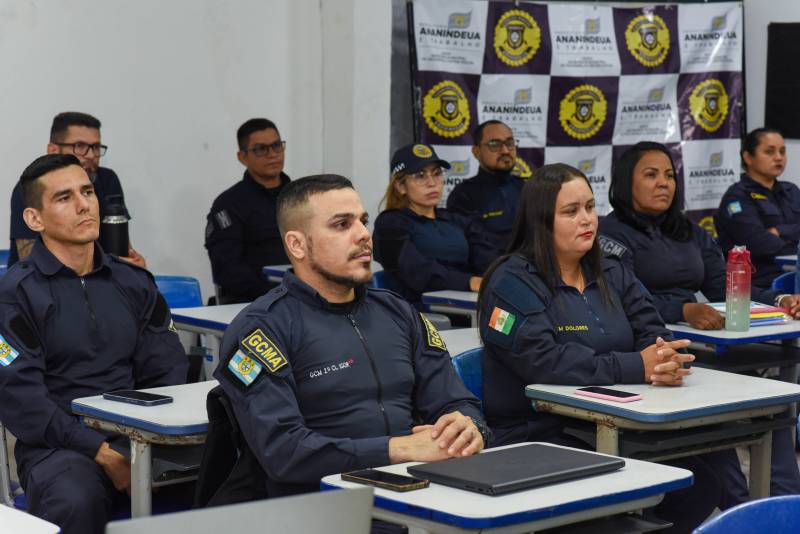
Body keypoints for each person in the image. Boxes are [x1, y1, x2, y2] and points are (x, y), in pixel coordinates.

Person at [478, 163, 747, 533]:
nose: (586, 219)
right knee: (628, 501)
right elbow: (544, 361)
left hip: (617, 422)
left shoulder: (610, 269)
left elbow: (652, 328)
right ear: (540, 221)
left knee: (699, 484)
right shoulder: (511, 281)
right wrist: (639, 366)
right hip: (538, 431)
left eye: (590, 207)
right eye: (571, 212)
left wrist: (665, 358)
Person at [213, 174, 489, 499]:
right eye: (342, 225)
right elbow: (284, 452)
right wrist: (398, 449)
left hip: (420, 490)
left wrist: (469, 427)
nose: (363, 235)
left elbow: (455, 400)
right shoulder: (263, 330)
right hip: (325, 505)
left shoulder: (397, 312)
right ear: (297, 244)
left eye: (363, 221)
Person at [0, 154, 188, 534]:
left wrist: (141, 444)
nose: (85, 204)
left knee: (233, 480)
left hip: (142, 436)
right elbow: (23, 401)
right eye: (64, 197)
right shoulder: (16, 294)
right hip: (59, 448)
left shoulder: (134, 282)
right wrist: (101, 451)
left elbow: (168, 371)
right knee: (75, 501)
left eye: (87, 191)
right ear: (35, 219)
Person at [600, 141, 800, 496]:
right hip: (652, 353)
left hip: (705, 349)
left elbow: (728, 286)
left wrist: (782, 300)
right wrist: (682, 310)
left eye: (669, 175)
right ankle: (740, 507)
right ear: (624, 181)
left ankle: (786, 501)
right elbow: (621, 299)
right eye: (651, 175)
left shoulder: (688, 230)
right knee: (721, 432)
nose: (664, 183)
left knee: (775, 400)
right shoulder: (609, 235)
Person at [8, 111, 145, 268]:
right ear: (53, 150)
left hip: (100, 277)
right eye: (79, 146)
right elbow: (32, 263)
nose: (91, 155)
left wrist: (134, 268)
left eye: (95, 147)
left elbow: (122, 249)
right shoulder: (32, 187)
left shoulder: (107, 179)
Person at [373, 143, 498, 308]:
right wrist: (470, 282)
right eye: (420, 176)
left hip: (472, 307)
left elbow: (489, 259)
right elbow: (417, 272)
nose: (432, 183)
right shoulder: (390, 225)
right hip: (422, 315)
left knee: (512, 325)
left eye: (437, 174)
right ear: (401, 186)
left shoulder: (456, 220)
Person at [205, 118, 291, 304]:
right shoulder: (229, 204)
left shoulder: (301, 196)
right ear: (242, 157)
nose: (272, 154)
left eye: (277, 145)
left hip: (306, 297)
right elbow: (227, 269)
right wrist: (277, 295)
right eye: (261, 149)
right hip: (255, 304)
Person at [716, 128, 800, 289]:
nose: (778, 157)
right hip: (759, 285)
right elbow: (758, 242)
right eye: (769, 152)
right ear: (747, 157)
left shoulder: (791, 190)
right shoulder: (736, 197)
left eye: (782, 151)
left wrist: (779, 231)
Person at [446, 120, 524, 251]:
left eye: (509, 143)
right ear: (476, 152)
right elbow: (476, 246)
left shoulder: (525, 188)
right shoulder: (463, 195)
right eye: (495, 144)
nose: (505, 150)